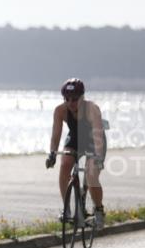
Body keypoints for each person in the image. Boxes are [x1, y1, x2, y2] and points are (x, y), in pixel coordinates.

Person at [45, 78, 107, 228]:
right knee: (65, 164)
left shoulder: (92, 108)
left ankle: (98, 210)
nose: (70, 103)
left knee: (91, 175)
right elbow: (56, 134)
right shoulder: (60, 110)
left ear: (82, 97)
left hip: (94, 140)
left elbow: (98, 134)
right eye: (67, 99)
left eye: (74, 99)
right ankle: (66, 209)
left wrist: (98, 158)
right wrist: (52, 153)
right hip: (75, 138)